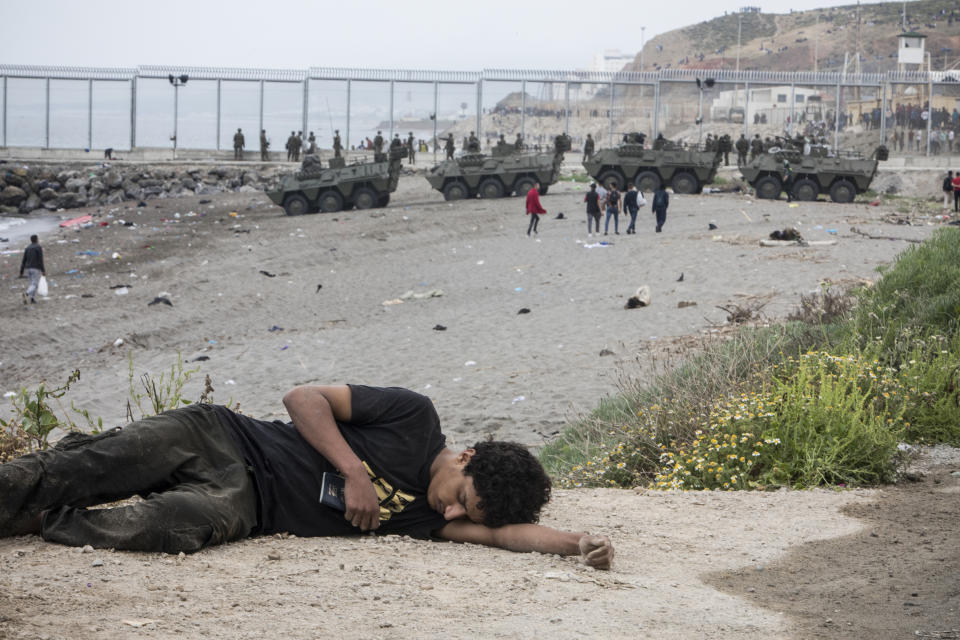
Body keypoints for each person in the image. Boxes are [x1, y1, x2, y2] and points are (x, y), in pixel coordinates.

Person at [0, 385, 613, 569]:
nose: (452, 515)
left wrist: (577, 542)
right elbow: (303, 397)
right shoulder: (414, 417)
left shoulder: (435, 520)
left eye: (465, 517)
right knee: (83, 465)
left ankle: (45, 522)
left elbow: (505, 537)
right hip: (221, 434)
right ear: (466, 458)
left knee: (176, 525)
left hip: (246, 501)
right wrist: (354, 472)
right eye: (463, 500)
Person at [19, 234, 45, 304]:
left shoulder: (27, 248)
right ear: (36, 239)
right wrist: (43, 270)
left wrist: (21, 271)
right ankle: (26, 294)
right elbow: (40, 259)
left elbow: (24, 260)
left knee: (32, 284)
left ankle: (32, 299)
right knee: (35, 284)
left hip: (28, 268)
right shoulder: (38, 247)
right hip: (36, 268)